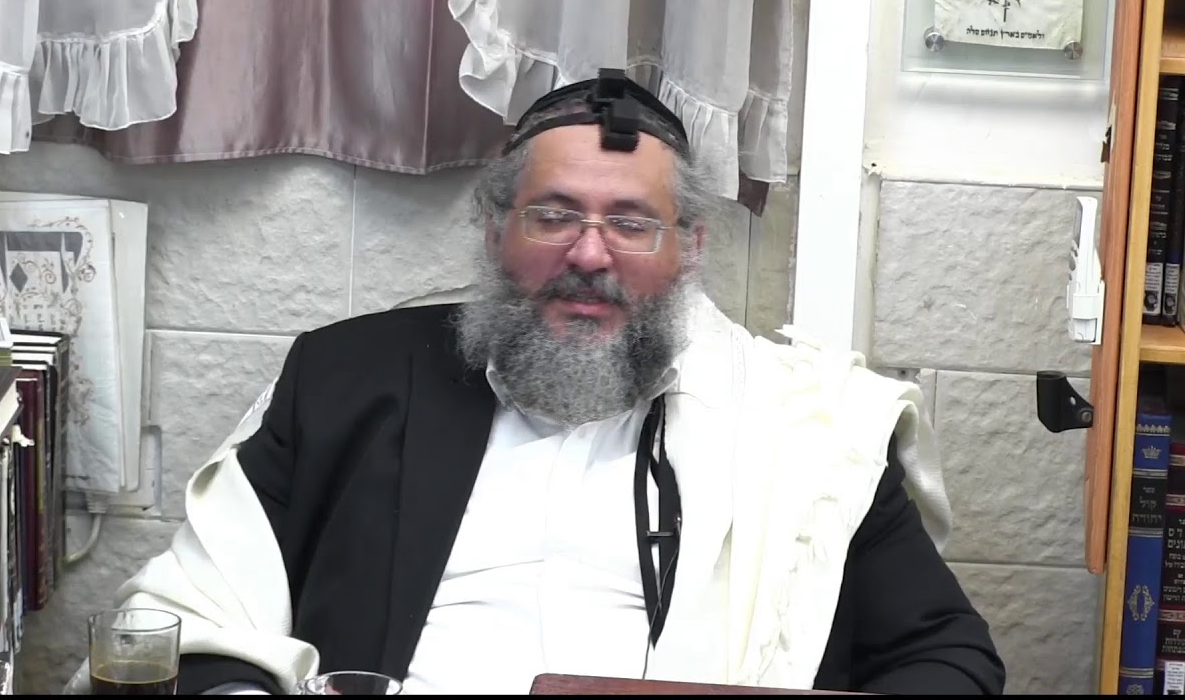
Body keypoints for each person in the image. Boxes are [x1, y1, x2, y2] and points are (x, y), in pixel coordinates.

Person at [69, 69, 1005, 695]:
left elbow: (947, 657)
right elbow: (183, 617)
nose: (589, 255)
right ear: (494, 230)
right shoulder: (345, 379)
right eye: (554, 215)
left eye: (631, 223)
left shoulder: (805, 429)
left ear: (688, 250)